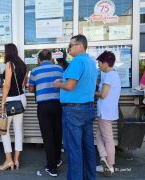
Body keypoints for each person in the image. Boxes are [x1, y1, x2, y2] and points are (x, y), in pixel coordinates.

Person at [53, 35, 98, 180]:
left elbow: (70, 86)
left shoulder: (77, 61)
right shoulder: (91, 62)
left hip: (74, 110)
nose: (68, 48)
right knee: (88, 147)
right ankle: (89, 177)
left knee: (74, 149)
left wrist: (59, 84)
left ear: (79, 45)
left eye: (70, 45)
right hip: (88, 108)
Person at [29, 49, 63, 177]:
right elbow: (64, 83)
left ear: (39, 59)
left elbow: (31, 88)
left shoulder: (35, 71)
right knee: (58, 134)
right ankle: (58, 160)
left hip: (43, 106)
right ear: (51, 58)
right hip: (58, 104)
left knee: (47, 136)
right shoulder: (59, 69)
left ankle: (52, 167)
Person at [0, 43, 27, 171]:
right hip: (21, 98)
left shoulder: (9, 64)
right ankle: (16, 160)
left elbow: (7, 85)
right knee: (18, 130)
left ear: (7, 52)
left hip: (10, 100)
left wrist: (2, 103)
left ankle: (8, 161)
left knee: (3, 130)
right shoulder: (22, 64)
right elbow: (22, 84)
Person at [95, 51, 121, 176]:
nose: (99, 66)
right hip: (109, 111)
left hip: (105, 112)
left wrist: (92, 93)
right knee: (99, 136)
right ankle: (104, 159)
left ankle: (109, 165)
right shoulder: (113, 74)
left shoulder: (110, 75)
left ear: (105, 63)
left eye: (99, 63)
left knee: (107, 138)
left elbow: (103, 95)